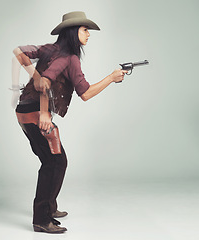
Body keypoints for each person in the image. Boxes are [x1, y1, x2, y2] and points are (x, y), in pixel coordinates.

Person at [11, 11, 127, 234]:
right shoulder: (70, 57)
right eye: (85, 30)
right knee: (55, 162)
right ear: (73, 32)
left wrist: (33, 75)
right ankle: (41, 219)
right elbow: (84, 93)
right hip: (36, 113)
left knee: (51, 160)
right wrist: (111, 78)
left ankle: (49, 208)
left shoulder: (49, 49)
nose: (88, 34)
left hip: (23, 112)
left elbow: (19, 52)